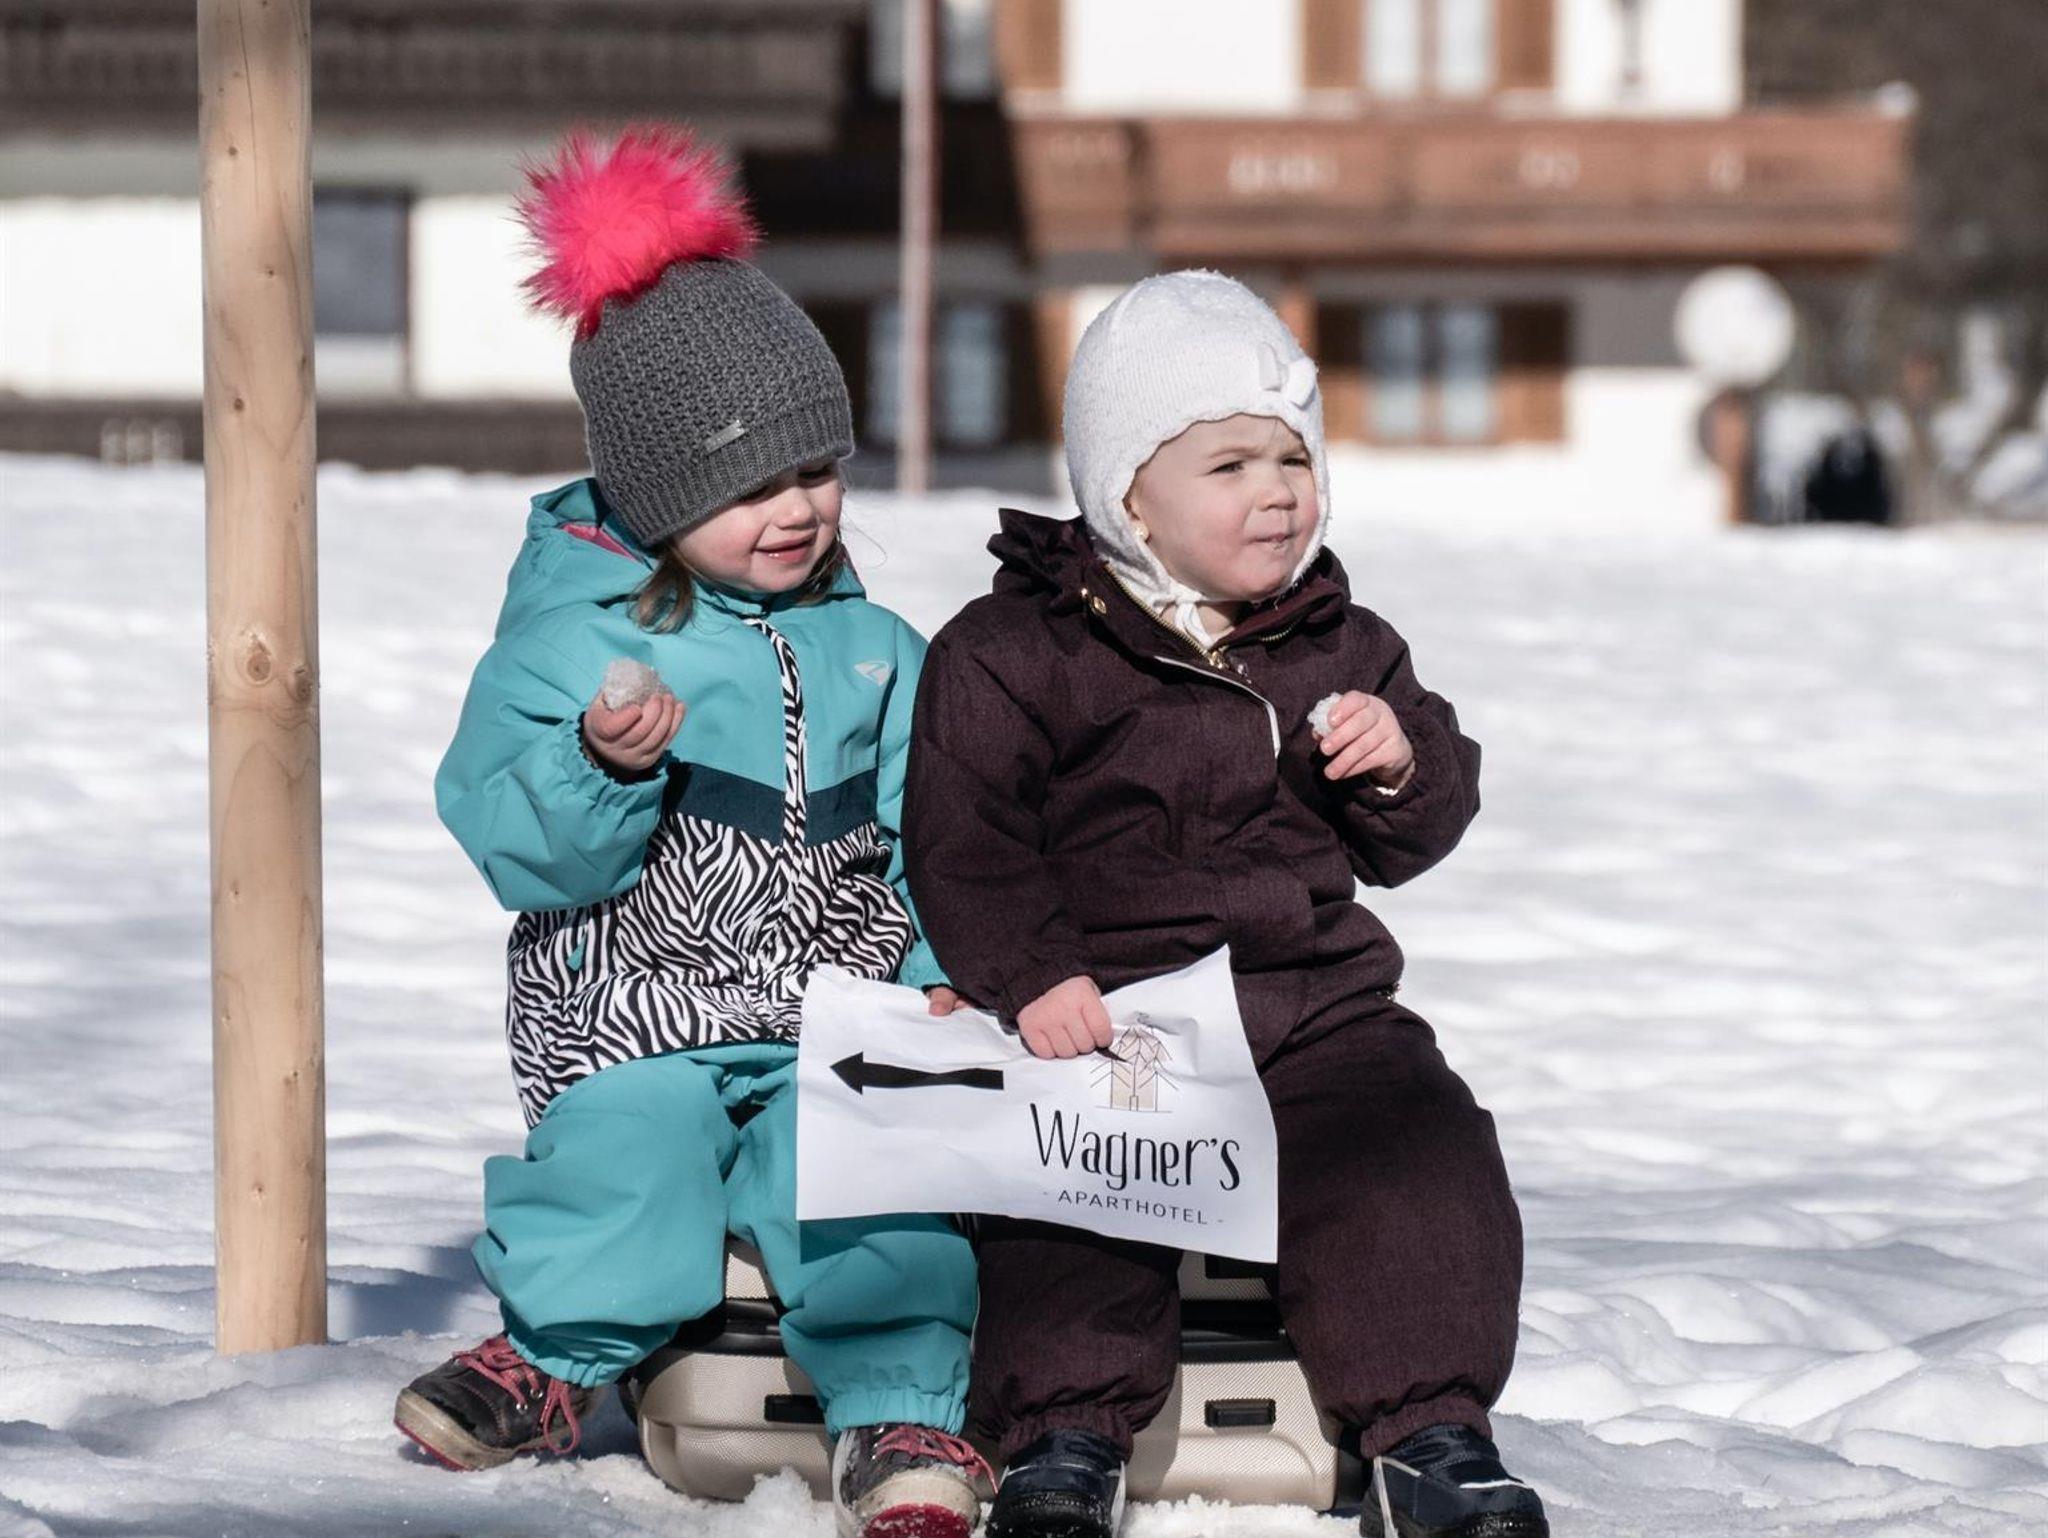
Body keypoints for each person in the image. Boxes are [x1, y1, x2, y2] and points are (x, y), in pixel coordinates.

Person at [393, 126, 990, 1538]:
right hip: (635, 1003)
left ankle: (899, 1408)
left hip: (828, 1007)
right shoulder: (571, 641)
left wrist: (936, 975)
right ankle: (553, 1353)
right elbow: (519, 845)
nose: (796, 510)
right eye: (747, 486)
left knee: (867, 1178)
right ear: (661, 494)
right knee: (631, 1154)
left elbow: (930, 832)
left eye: (815, 470)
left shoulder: (876, 648)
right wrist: (599, 768)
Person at [903, 271, 1546, 1538]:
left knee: (1417, 1156)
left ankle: (1430, 1433)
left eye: (1293, 457)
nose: (1277, 490)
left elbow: (1413, 837)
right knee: (1068, 1202)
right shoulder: (1015, 648)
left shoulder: (1339, 640)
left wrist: (1400, 764)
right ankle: (1062, 1440)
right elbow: (964, 831)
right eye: (1230, 464)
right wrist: (1029, 973)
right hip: (1104, 1012)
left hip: (1308, 1006)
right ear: (1126, 494)